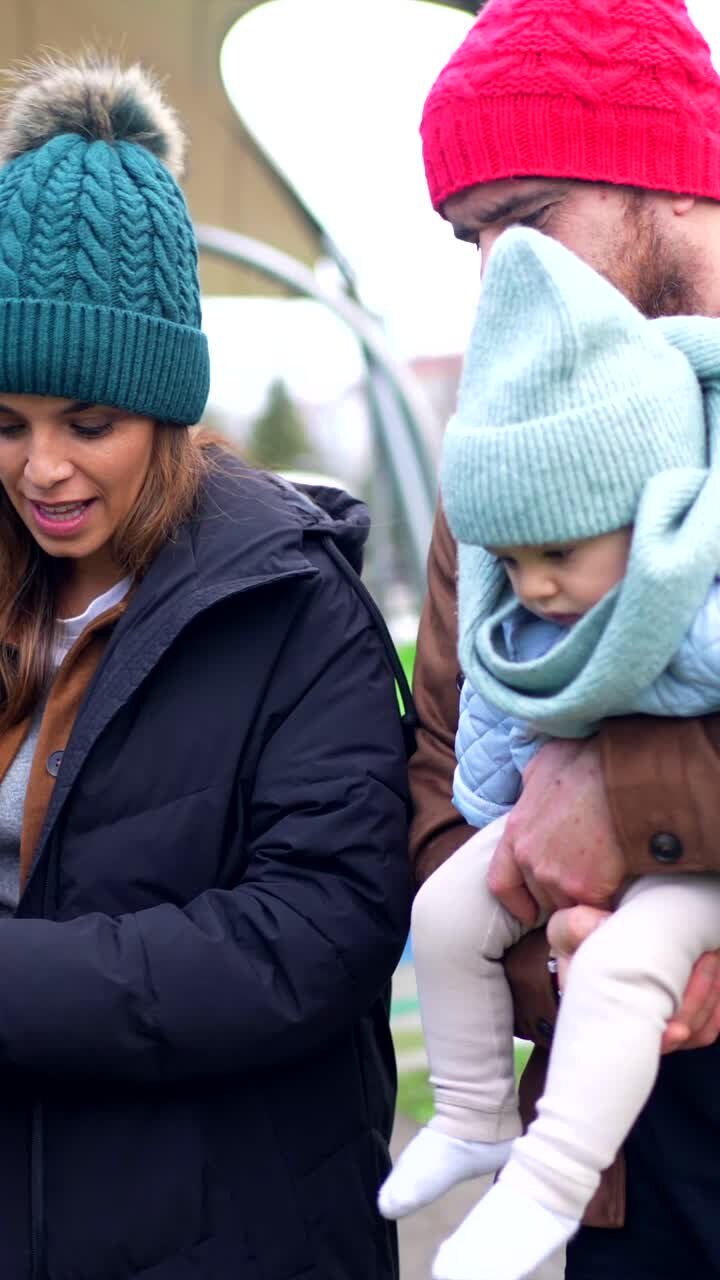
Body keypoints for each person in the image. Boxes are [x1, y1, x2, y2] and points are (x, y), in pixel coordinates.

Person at [0, 54, 411, 1280]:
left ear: (169, 410)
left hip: (228, 1230)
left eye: (89, 423)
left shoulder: (290, 598)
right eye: (6, 421)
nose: (41, 471)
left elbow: (314, 934)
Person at [411, 1, 720, 1274]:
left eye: (527, 221)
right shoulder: (498, 487)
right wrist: (569, 955)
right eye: (467, 236)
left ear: (679, 187)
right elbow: (438, 782)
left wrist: (635, 801)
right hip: (633, 1194)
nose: (499, 277)